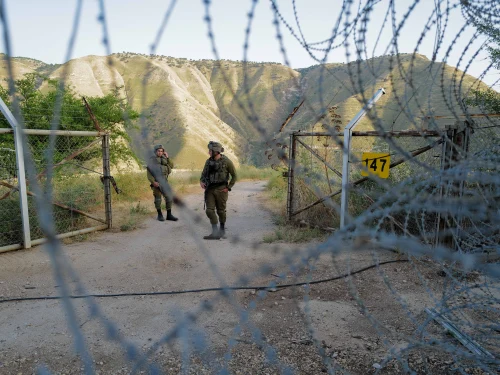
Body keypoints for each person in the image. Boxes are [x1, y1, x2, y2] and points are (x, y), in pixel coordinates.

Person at [200, 141, 237, 239]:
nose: (209, 152)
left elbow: (234, 176)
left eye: (210, 150)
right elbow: (203, 174)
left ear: (216, 151)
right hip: (210, 190)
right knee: (209, 211)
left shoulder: (227, 162)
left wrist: (228, 187)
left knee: (221, 211)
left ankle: (222, 230)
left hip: (221, 190)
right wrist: (201, 181)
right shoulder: (208, 162)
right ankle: (215, 232)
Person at [147, 144, 178, 222]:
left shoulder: (165, 159)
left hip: (164, 182)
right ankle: (159, 215)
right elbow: (149, 173)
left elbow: (171, 166)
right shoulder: (152, 160)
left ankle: (169, 215)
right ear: (155, 152)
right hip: (156, 182)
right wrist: (153, 182)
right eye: (158, 151)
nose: (160, 152)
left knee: (169, 197)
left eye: (161, 151)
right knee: (158, 199)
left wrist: (167, 157)